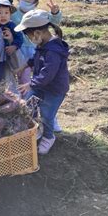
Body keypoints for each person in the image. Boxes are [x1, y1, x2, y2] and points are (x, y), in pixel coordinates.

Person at [15, 10, 69, 155]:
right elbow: (35, 58)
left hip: (54, 89)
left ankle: (48, 137)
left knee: (46, 114)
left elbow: (47, 74)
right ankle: (34, 129)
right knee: (28, 104)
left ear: (37, 33)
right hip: (40, 84)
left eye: (28, 35)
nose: (29, 39)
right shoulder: (42, 45)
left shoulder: (53, 51)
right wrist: (25, 65)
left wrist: (30, 84)